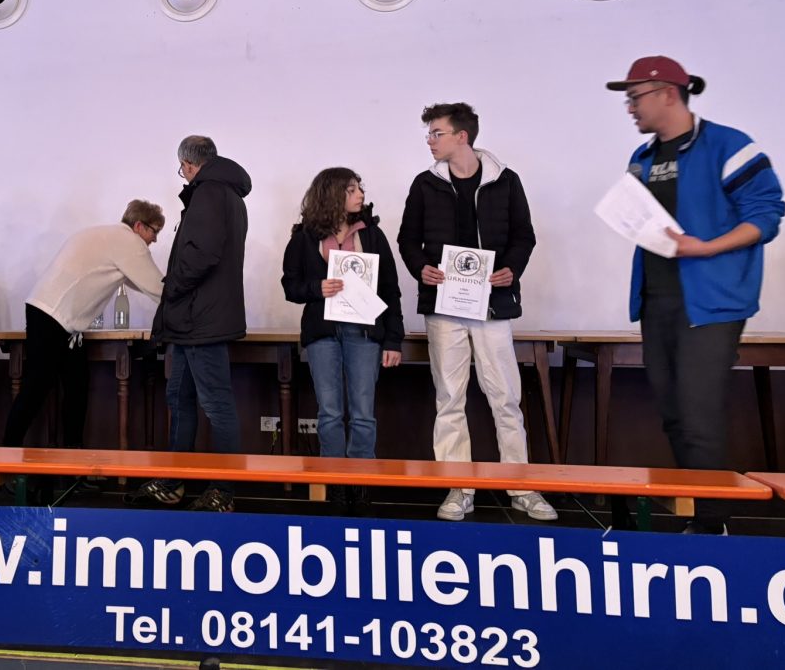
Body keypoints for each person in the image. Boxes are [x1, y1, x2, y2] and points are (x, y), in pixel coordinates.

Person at [606, 56, 785, 534]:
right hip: (656, 300)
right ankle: (702, 518)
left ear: (668, 93)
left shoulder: (729, 145)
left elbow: (766, 215)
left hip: (712, 304)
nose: (630, 107)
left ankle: (711, 527)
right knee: (673, 415)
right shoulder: (642, 158)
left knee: (698, 414)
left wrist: (706, 247)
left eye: (635, 97)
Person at [397, 102, 557, 523]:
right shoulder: (424, 184)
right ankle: (458, 488)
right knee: (450, 398)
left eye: (437, 133)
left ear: (461, 136)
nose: (430, 140)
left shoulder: (506, 180)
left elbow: (524, 236)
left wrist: (511, 269)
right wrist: (421, 268)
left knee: (506, 397)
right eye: (429, 134)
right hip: (443, 307)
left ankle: (521, 486)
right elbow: (407, 239)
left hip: (493, 305)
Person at [128, 135, 251, 512]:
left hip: (200, 319)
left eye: (181, 169)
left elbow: (202, 255)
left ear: (187, 165)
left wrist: (173, 288)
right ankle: (173, 481)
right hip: (193, 320)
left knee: (215, 404)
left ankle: (224, 491)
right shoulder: (228, 194)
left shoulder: (209, 192)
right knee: (179, 398)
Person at [281, 168, 403, 511]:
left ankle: (360, 482)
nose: (360, 194)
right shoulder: (304, 236)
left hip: (364, 332)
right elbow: (290, 286)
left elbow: (390, 290)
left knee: (363, 413)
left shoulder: (373, 234)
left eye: (360, 187)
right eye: (352, 189)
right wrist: (315, 288)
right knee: (330, 413)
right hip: (322, 333)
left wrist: (393, 340)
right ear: (332, 193)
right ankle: (334, 481)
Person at [2, 200, 167, 451]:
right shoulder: (129, 242)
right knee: (37, 387)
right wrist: (189, 300)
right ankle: (6, 454)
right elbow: (157, 288)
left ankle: (72, 456)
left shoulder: (108, 236)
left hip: (51, 315)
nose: (154, 239)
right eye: (154, 231)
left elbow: (141, 281)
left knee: (76, 385)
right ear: (138, 226)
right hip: (53, 316)